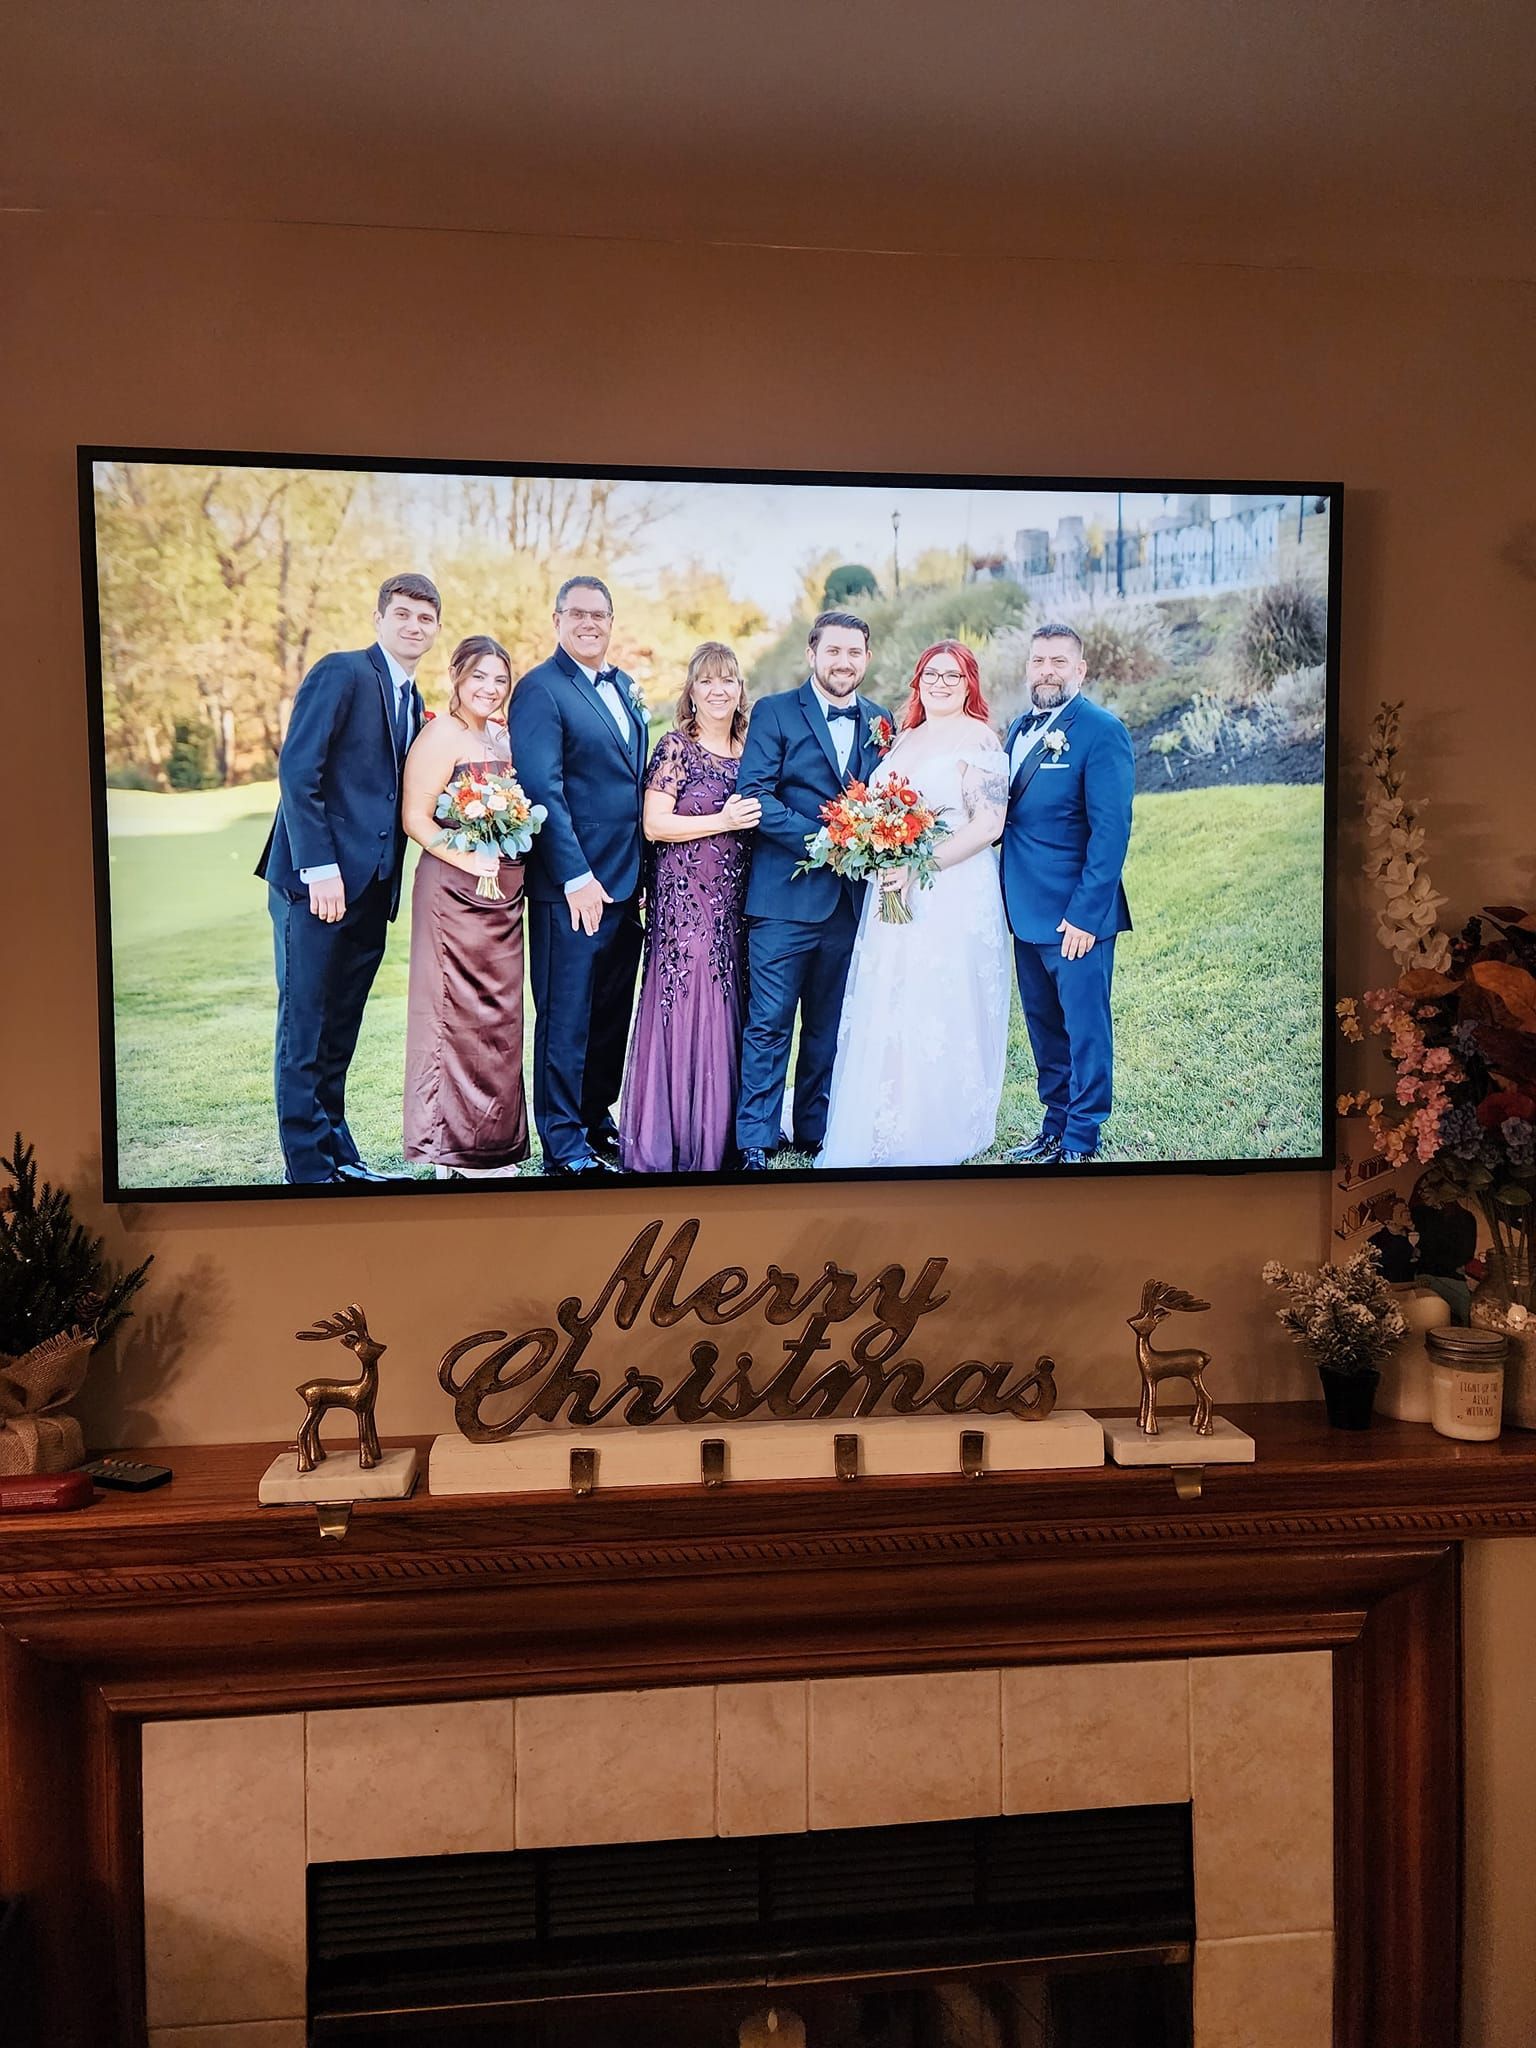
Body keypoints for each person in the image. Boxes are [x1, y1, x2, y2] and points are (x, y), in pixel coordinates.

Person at [256, 572, 439, 1184]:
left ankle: (341, 1156)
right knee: (305, 1025)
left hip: (372, 889)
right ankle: (307, 1168)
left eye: (425, 618)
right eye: (404, 614)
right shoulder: (342, 672)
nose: (414, 626)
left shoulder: (414, 699)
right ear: (379, 618)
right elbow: (298, 773)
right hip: (317, 885)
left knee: (340, 1029)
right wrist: (319, 868)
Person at [818, 642, 1011, 1169]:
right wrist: (877, 848)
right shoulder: (903, 739)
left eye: (954, 675)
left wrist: (920, 865)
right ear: (918, 681)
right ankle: (889, 1112)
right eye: (932, 673)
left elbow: (989, 825)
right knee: (895, 998)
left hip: (952, 890)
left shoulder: (980, 739)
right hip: (892, 892)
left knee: (939, 1002)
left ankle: (939, 1121)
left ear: (970, 683)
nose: (942, 682)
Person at [733, 611, 889, 1170]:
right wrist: (829, 837)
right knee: (769, 1022)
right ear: (812, 654)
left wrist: (878, 839)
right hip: (783, 902)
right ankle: (755, 1137)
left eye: (854, 652)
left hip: (849, 905)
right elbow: (755, 797)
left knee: (828, 1025)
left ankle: (814, 1130)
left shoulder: (881, 720)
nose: (843, 662)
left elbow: (888, 801)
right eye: (834, 651)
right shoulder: (774, 712)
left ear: (866, 658)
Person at [506, 575, 647, 1178]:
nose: (590, 624)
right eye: (578, 614)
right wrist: (575, 877)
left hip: (626, 882)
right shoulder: (541, 690)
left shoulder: (626, 687)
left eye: (600, 615)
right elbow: (544, 789)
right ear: (557, 619)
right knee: (565, 1015)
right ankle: (563, 1142)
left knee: (611, 1014)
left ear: (612, 622)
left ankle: (594, 1119)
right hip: (574, 888)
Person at [618, 643, 760, 1173]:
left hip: (739, 900)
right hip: (684, 901)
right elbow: (656, 825)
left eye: (728, 680)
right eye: (706, 681)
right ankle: (675, 1140)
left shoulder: (753, 751)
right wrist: (723, 820)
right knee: (692, 1001)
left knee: (731, 1004)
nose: (718, 690)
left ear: (741, 689)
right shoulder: (677, 747)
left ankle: (724, 1138)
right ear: (691, 691)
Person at [1000, 622, 1135, 1166]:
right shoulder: (1016, 729)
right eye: (1038, 661)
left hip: (1076, 918)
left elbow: (1111, 833)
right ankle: (1052, 1127)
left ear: (1080, 670)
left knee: (1085, 1032)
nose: (1047, 670)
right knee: (1045, 1033)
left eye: (1059, 661)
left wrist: (1084, 915)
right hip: (1024, 914)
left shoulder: (1101, 731)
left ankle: (1081, 1139)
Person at [399, 636, 530, 1178]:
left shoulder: (502, 738)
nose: (490, 689)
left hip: (504, 899)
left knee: (500, 1018)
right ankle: (449, 1147)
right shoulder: (439, 735)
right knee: (456, 1015)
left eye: (500, 680)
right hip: (454, 894)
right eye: (479, 677)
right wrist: (467, 858)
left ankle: (493, 1144)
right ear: (456, 676)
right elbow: (416, 819)